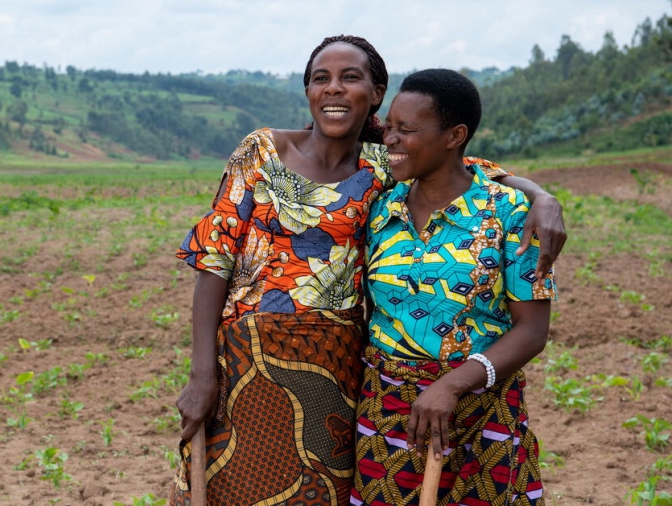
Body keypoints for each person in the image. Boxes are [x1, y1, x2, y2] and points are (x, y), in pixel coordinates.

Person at [169, 36, 563, 506]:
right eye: (321, 78)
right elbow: (214, 260)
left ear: (375, 94)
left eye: (350, 77)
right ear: (308, 91)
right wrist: (201, 374)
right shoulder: (263, 152)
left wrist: (541, 197)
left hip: (337, 370)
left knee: (321, 493)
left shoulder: (386, 166)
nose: (333, 89)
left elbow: (469, 168)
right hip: (247, 362)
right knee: (233, 485)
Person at [352, 69, 555, 506]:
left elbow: (532, 330)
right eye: (389, 127)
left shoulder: (511, 213)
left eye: (406, 130)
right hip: (389, 417)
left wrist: (451, 386)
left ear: (454, 136)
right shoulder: (380, 207)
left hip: (483, 413)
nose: (390, 139)